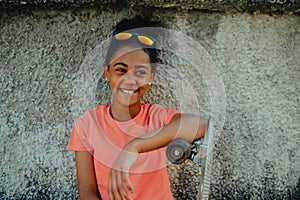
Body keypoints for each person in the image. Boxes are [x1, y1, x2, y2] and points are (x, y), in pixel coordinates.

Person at [67, 16, 207, 200]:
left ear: (151, 76)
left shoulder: (156, 116)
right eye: (120, 70)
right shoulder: (88, 124)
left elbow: (201, 124)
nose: (130, 80)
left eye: (140, 72)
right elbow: (87, 192)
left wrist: (134, 146)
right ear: (107, 73)